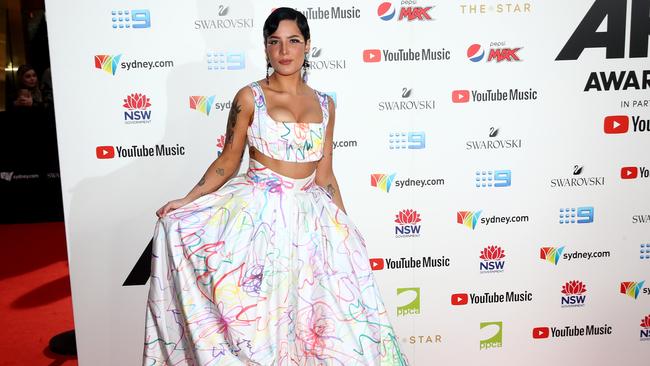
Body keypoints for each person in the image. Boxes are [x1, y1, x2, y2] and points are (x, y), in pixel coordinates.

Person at [144, 7, 408, 365]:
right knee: (262, 324)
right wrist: (188, 200)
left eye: (293, 41)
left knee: (326, 322)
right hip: (259, 218)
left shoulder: (327, 105)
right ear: (266, 48)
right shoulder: (249, 97)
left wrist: (345, 226)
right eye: (275, 42)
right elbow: (228, 160)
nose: (285, 51)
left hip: (311, 221)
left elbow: (325, 174)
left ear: (307, 45)